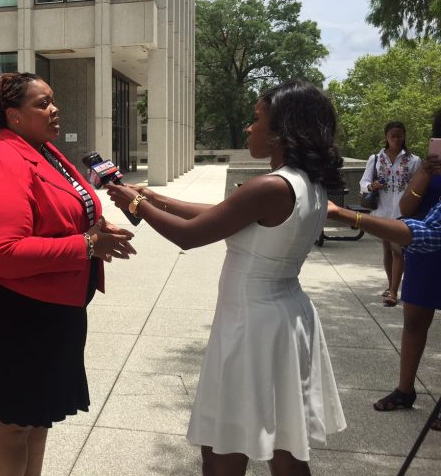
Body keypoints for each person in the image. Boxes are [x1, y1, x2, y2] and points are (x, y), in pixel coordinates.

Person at [107, 80, 347, 476]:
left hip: (252, 325)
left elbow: (190, 235)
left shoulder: (270, 186)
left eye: (257, 120)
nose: (250, 129)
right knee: (287, 445)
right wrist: (153, 197)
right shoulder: (308, 183)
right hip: (285, 318)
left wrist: (135, 204)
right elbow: (222, 211)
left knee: (221, 449)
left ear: (282, 132)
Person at [0, 72, 136, 476]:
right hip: (5, 309)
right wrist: (86, 245)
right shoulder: (2, 158)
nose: (54, 109)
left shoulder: (44, 152)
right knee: (10, 424)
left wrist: (96, 231)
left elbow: (68, 210)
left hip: (46, 307)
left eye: (53, 100)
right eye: (43, 103)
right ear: (13, 116)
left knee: (36, 419)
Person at [369, 109, 441, 427]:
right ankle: (405, 389)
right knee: (413, 322)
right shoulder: (425, 166)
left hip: (430, 238)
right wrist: (424, 174)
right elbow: (407, 208)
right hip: (425, 252)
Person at [360, 121, 421, 306]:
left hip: (402, 211)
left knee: (397, 250)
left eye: (400, 135)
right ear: (386, 137)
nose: (397, 139)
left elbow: (419, 184)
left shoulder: (413, 160)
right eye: (393, 136)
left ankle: (393, 291)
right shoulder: (376, 158)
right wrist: (372, 186)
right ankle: (391, 285)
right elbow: (363, 183)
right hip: (382, 209)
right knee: (387, 248)